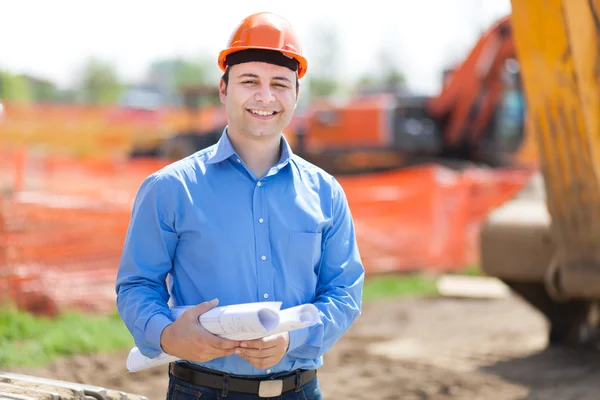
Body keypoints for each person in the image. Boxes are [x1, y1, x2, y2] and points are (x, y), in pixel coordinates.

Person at [116, 11, 364, 400]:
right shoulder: (170, 188)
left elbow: (344, 291)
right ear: (223, 88)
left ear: (296, 95)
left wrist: (294, 338)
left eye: (280, 84)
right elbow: (137, 285)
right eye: (250, 81)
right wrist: (167, 334)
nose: (265, 97)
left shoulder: (326, 192)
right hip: (200, 391)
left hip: (299, 391)